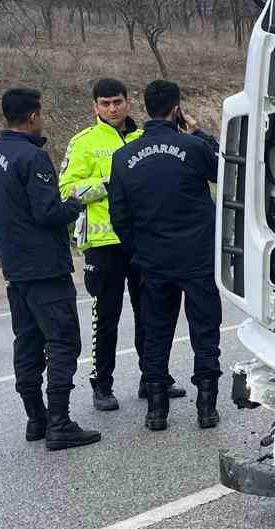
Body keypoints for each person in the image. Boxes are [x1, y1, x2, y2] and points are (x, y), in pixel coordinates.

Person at [0, 87, 101, 451]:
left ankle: (37, 417)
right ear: (33, 116)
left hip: (16, 269)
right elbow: (48, 213)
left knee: (28, 342)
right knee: (63, 341)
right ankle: (60, 423)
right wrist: (77, 202)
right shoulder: (33, 158)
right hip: (45, 269)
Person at [57, 77, 184, 412]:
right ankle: (102, 384)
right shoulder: (83, 142)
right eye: (104, 103)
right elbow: (66, 190)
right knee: (106, 317)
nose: (112, 109)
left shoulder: (146, 138)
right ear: (95, 106)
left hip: (143, 240)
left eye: (117, 102)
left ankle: (153, 378)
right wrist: (109, 182)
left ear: (129, 103)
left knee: (151, 314)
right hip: (103, 243)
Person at [108, 80, 224, 432]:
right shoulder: (192, 147)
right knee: (205, 331)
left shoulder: (124, 156)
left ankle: (156, 411)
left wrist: (137, 249)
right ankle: (206, 408)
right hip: (197, 257)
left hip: (153, 260)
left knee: (156, 333)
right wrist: (200, 133)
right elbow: (226, 170)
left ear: (144, 108)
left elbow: (119, 214)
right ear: (177, 109)